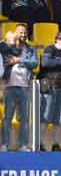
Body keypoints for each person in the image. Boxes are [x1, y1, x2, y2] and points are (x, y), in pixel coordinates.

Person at [0, 24, 37, 152]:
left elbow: (34, 63)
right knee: (7, 117)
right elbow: (4, 59)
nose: (23, 35)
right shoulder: (7, 46)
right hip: (9, 85)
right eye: (20, 32)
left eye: (25, 32)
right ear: (16, 33)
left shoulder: (31, 49)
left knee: (25, 118)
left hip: (25, 86)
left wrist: (19, 60)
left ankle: (23, 145)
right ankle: (4, 144)